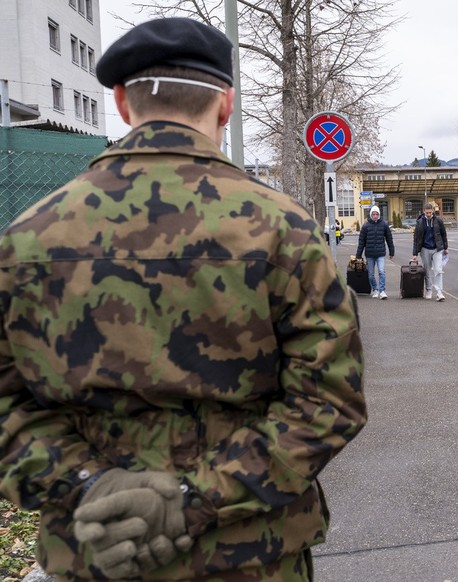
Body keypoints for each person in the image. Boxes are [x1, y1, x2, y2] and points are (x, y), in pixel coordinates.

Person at [0, 17, 366, 582]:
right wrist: (194, 498)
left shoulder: (26, 237)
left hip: (95, 548)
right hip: (250, 552)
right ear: (226, 105)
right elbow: (329, 403)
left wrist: (87, 484)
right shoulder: (281, 229)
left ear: (121, 103)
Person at [356, 205, 394, 299]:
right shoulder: (365, 226)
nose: (375, 216)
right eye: (373, 214)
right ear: (371, 214)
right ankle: (375, 289)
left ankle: (382, 291)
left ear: (379, 215)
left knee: (381, 271)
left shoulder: (384, 225)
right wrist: (358, 255)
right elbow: (361, 241)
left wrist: (391, 251)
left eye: (377, 214)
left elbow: (389, 239)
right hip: (369, 254)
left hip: (380, 253)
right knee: (371, 274)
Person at [412, 202, 448, 301]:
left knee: (438, 270)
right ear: (424, 212)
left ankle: (439, 292)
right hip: (425, 248)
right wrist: (415, 253)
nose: (428, 214)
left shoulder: (438, 221)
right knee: (427, 270)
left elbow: (443, 234)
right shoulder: (419, 222)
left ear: (433, 211)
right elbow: (416, 238)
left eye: (430, 212)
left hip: (437, 248)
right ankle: (429, 290)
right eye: (427, 212)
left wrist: (445, 247)